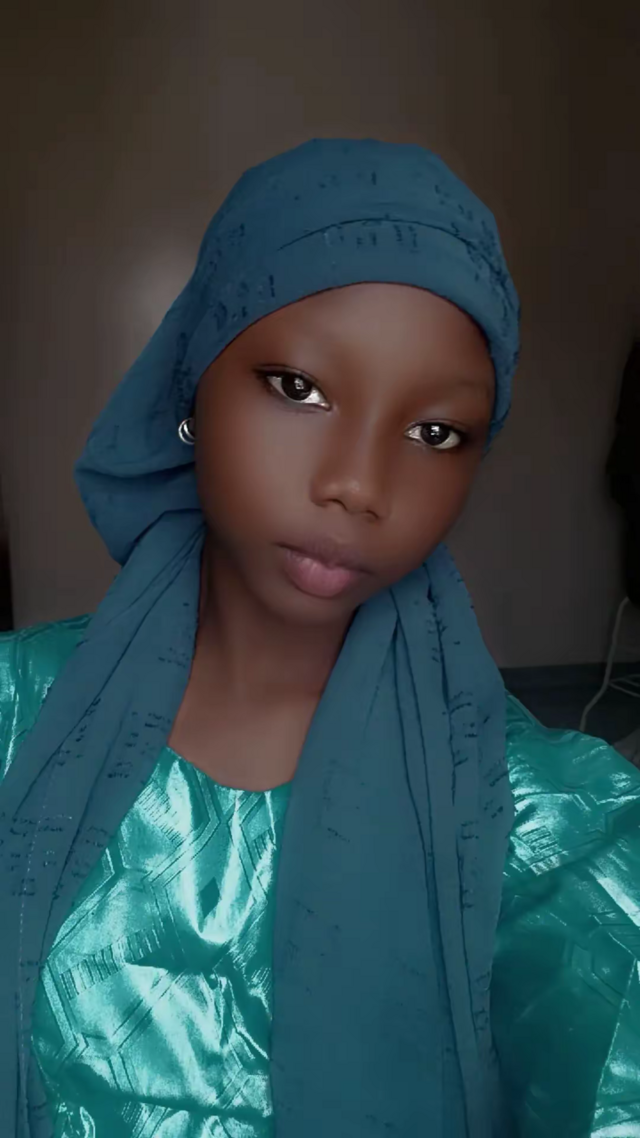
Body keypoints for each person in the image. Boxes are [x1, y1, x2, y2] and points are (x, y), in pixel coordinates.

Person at [0, 138, 638, 1138]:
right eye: (298, 388)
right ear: (191, 388)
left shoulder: (529, 814)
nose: (359, 483)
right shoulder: (14, 718)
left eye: (435, 432)